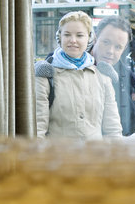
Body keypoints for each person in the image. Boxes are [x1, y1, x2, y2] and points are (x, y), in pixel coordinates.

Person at [35, 11, 122, 140]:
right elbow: (38, 128)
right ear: (60, 38)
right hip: (57, 152)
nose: (73, 40)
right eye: (67, 35)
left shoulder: (102, 76)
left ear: (89, 38)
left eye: (80, 35)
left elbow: (113, 128)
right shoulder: (46, 75)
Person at [90, 16, 135, 136]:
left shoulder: (127, 77)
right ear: (95, 38)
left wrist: (116, 84)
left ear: (124, 49)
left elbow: (132, 125)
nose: (110, 51)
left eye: (118, 47)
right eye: (106, 42)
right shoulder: (70, 61)